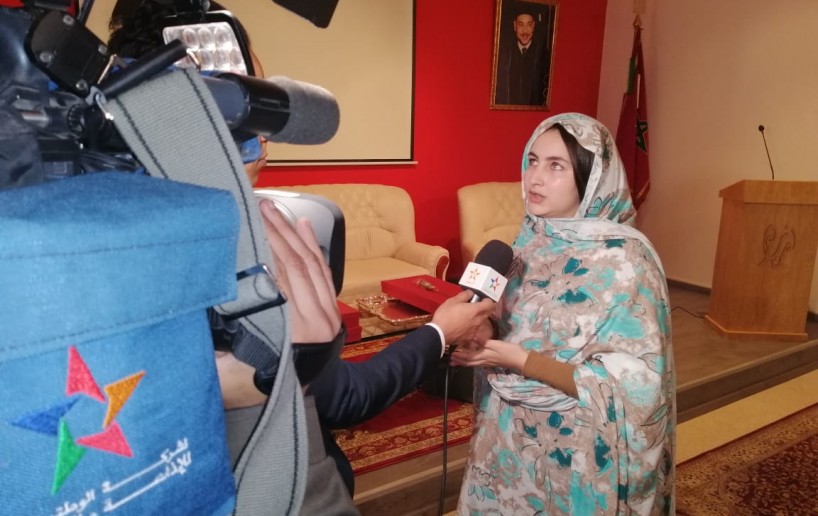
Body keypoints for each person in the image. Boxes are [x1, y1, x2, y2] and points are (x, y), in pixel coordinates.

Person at [107, 2, 497, 512]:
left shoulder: (105, 231)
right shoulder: (241, 249)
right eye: (246, 100)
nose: (265, 126)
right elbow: (345, 397)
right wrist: (440, 331)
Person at [451, 113, 675, 514]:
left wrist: (519, 359)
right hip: (509, 434)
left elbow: (637, 386)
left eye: (556, 166)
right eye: (532, 161)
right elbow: (515, 321)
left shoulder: (627, 261)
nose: (535, 178)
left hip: (576, 447)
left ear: (591, 177)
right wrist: (485, 330)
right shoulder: (530, 239)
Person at [494, 7, 550, 106]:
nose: (525, 31)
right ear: (515, 26)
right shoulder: (504, 54)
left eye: (529, 25)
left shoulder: (543, 55)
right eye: (521, 25)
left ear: (534, 26)